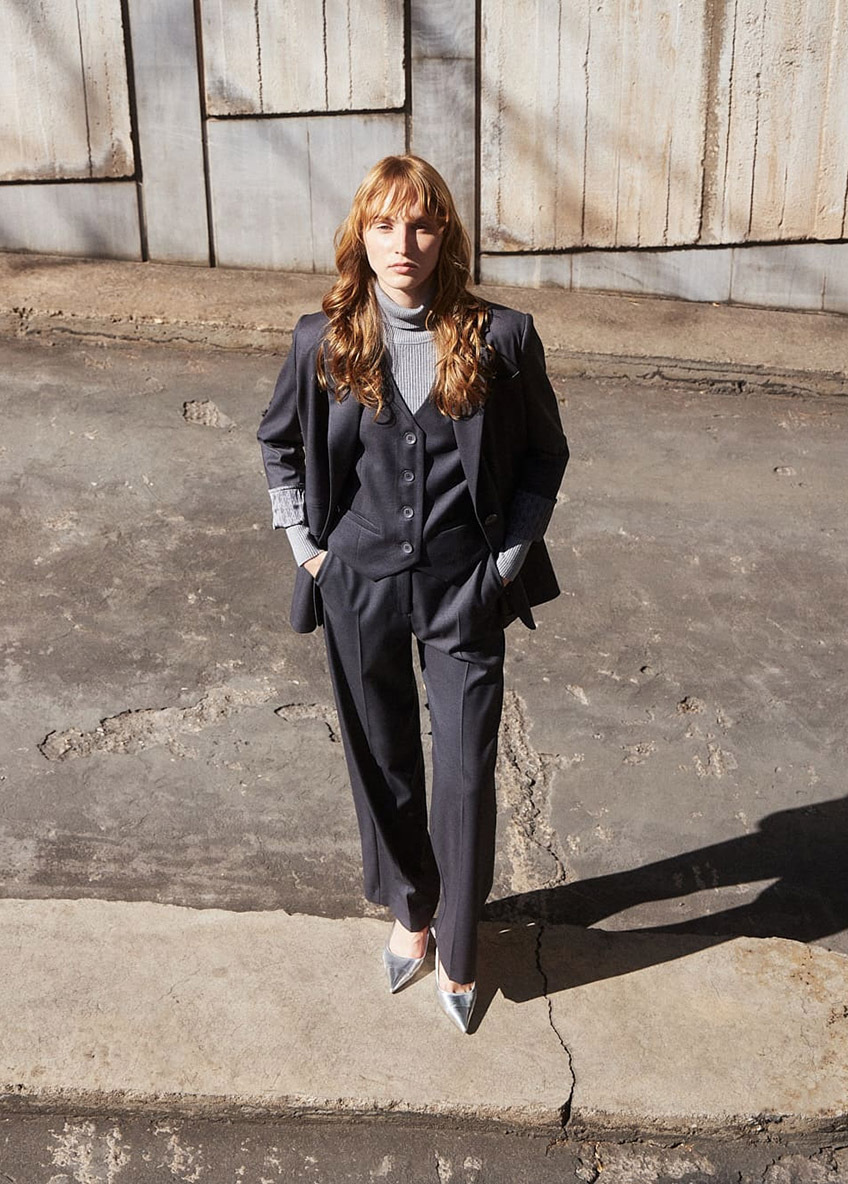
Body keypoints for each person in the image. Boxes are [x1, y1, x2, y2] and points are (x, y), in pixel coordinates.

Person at [258, 155, 568, 1033]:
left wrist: (505, 562)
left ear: (447, 235)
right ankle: (412, 910)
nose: (405, 243)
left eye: (423, 224)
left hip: (465, 585)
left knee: (466, 772)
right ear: (361, 233)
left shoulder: (503, 338)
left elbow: (545, 455)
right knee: (383, 757)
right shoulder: (321, 341)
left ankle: (461, 948)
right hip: (355, 579)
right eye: (385, 223)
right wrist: (308, 552)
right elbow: (279, 445)